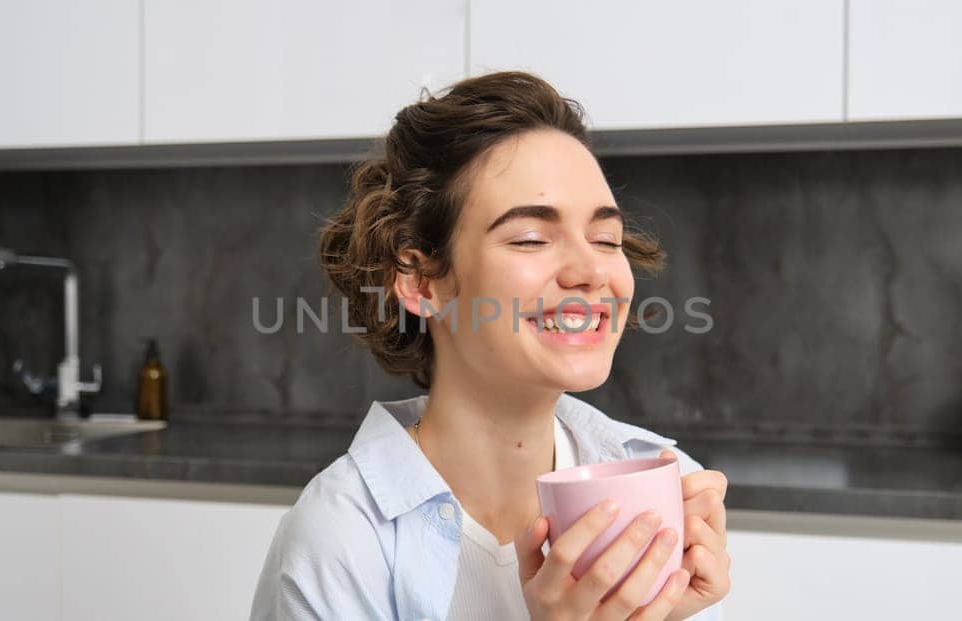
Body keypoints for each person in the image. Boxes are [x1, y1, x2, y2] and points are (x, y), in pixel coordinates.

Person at [250, 71, 731, 620]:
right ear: (421, 280)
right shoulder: (342, 537)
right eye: (530, 238)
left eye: (605, 239)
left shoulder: (665, 483)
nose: (590, 271)